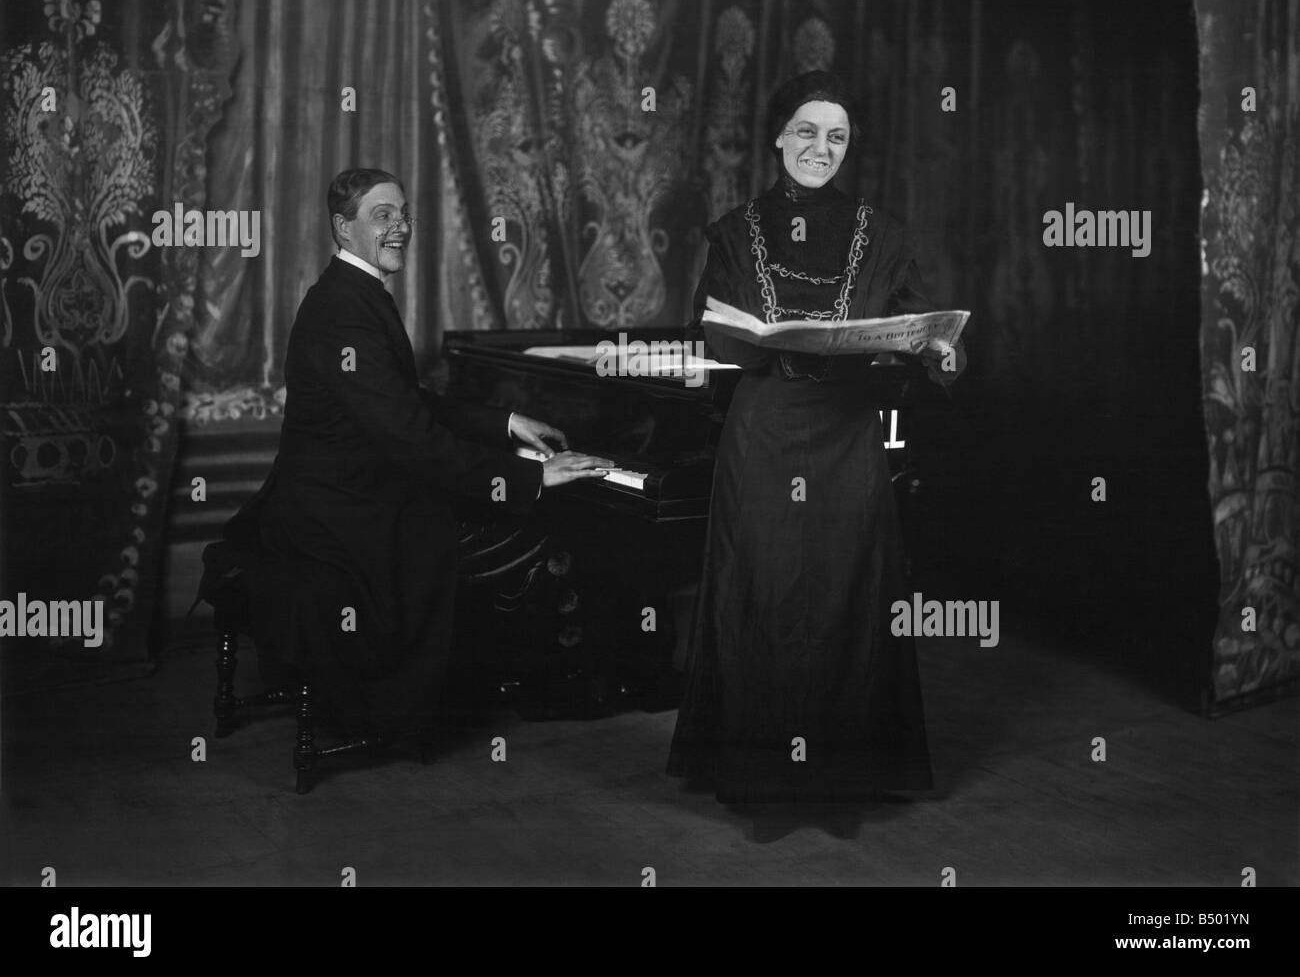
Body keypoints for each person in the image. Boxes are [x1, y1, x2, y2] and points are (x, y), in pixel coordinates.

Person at [666, 71, 965, 840]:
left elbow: (920, 336)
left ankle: (839, 783)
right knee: (762, 591)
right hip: (762, 429)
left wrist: (941, 354)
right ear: (776, 136)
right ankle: (764, 783)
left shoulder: (886, 235)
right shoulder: (733, 233)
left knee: (845, 598)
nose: (819, 148)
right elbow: (713, 339)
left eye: (835, 137)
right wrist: (754, 340)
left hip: (847, 435)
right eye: (806, 131)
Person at [242, 168, 612, 743]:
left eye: (404, 214)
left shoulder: (355, 293)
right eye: (382, 216)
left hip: (340, 494)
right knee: (524, 518)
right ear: (343, 229)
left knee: (506, 511)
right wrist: (530, 476)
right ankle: (519, 681)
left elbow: (406, 400)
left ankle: (517, 672)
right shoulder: (345, 309)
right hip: (340, 514)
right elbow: (410, 436)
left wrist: (507, 422)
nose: (401, 227)